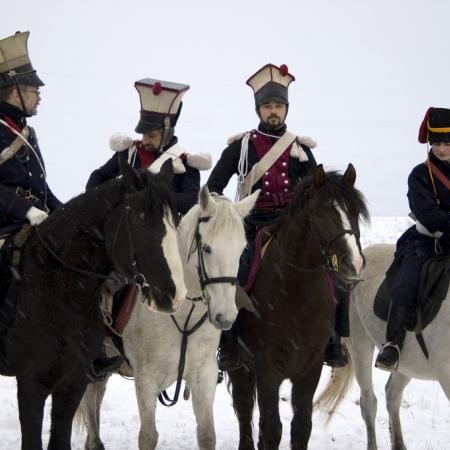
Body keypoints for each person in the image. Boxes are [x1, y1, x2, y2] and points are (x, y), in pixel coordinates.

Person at [207, 63, 349, 370]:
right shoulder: (240, 147)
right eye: (268, 106)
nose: (274, 111)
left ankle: (334, 340)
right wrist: (226, 214)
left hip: (291, 224)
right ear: (258, 109)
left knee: (332, 272)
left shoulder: (300, 149)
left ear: (286, 109)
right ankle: (229, 344)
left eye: (279, 106)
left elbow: (317, 190)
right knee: (237, 274)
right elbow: (214, 187)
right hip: (251, 223)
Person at [86, 78, 211, 378]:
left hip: (168, 240)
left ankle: (212, 348)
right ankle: (98, 345)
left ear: (167, 131)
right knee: (96, 280)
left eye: (152, 134)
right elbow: (95, 180)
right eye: (144, 133)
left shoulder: (185, 164)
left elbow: (191, 199)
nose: (146, 139)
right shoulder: (128, 154)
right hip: (128, 238)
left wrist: (152, 198)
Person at [375, 107, 450, 372]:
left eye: (447, 142)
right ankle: (392, 345)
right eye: (437, 143)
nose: (441, 149)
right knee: (408, 280)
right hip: (426, 241)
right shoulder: (419, 175)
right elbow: (428, 214)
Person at [0, 31, 61, 238]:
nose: (39, 98)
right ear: (17, 94)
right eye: (36, 92)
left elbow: (39, 187)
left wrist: (66, 212)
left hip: (33, 226)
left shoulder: (25, 132)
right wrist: (26, 210)